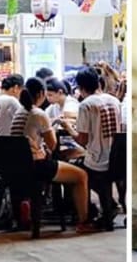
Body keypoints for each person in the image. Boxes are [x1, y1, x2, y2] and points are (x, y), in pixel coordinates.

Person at [10, 77, 96, 234]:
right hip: (37, 167)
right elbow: (53, 144)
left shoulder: (19, 112)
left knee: (67, 168)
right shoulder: (38, 114)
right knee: (81, 175)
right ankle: (83, 221)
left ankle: (64, 207)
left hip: (16, 167)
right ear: (41, 94)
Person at [59, 66, 121, 230]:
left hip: (98, 161)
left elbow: (83, 140)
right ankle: (109, 205)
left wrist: (68, 127)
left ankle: (87, 215)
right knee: (92, 176)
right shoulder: (114, 101)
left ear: (80, 88)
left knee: (73, 175)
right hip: (117, 158)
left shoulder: (86, 105)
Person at [44, 76, 84, 160]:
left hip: (73, 143)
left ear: (60, 92)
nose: (48, 98)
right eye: (47, 95)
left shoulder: (71, 103)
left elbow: (66, 119)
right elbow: (44, 118)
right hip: (62, 142)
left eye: (50, 95)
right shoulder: (54, 105)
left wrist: (55, 120)